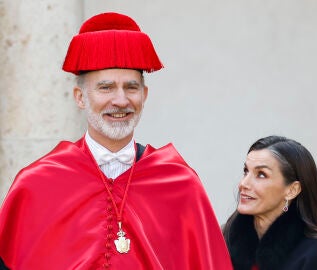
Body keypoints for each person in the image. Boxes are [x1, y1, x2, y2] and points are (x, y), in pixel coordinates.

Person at [0, 12, 233, 269]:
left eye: (131, 88)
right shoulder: (36, 185)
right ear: (80, 97)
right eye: (106, 88)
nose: (121, 100)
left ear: (144, 95)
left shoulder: (181, 184)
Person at [223, 135, 317, 270]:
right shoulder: (222, 242)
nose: (243, 184)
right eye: (246, 171)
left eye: (261, 174)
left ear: (292, 190)